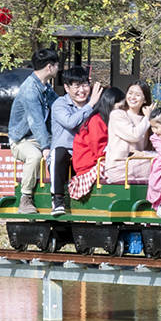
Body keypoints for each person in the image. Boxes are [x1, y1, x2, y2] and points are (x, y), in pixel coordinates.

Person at [8, 49, 63, 214]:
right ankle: (25, 199)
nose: (58, 68)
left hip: (38, 137)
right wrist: (46, 146)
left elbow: (58, 105)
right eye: (57, 65)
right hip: (21, 140)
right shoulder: (30, 90)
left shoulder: (44, 86)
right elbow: (36, 121)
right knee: (35, 156)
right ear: (49, 67)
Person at [47, 69, 101, 216]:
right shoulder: (60, 104)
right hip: (65, 156)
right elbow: (70, 123)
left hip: (86, 154)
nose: (82, 90)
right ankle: (57, 200)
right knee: (59, 152)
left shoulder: (95, 102)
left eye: (85, 85)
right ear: (66, 88)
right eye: (77, 86)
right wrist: (90, 106)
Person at [69, 86, 118, 200]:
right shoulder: (96, 120)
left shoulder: (105, 120)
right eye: (120, 106)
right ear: (110, 104)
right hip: (88, 167)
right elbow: (99, 151)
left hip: (97, 162)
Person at [103, 81, 156, 184]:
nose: (132, 97)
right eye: (130, 93)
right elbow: (134, 135)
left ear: (145, 99)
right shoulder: (117, 115)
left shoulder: (145, 119)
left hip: (137, 163)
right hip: (119, 166)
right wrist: (148, 118)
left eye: (137, 95)